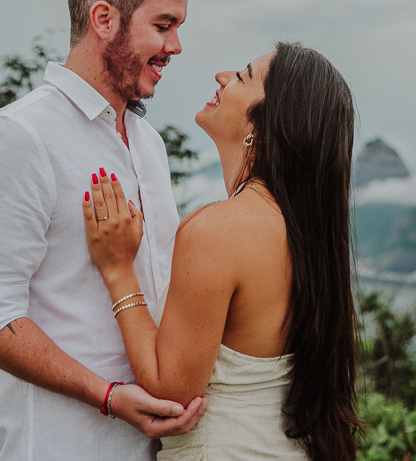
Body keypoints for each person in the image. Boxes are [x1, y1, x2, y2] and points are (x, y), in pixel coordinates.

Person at [0, 0, 207, 460]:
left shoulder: (148, 142)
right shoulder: (19, 136)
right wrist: (105, 396)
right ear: (104, 19)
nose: (175, 48)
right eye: (164, 26)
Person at [82, 42, 360, 460]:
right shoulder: (305, 231)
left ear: (263, 124)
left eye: (243, 76)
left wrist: (119, 269)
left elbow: (169, 390)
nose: (222, 77)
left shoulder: (218, 230)